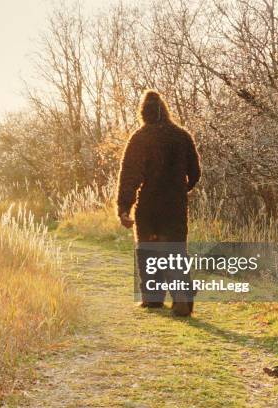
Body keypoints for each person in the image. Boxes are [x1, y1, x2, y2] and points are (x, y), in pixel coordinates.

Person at [116, 90, 201, 317]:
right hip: (174, 205)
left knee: (149, 252)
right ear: (165, 110)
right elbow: (195, 172)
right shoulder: (182, 136)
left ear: (143, 113)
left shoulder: (139, 138)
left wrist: (124, 208)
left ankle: (152, 300)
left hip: (149, 206)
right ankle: (182, 300)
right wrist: (182, 189)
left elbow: (129, 177)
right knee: (175, 252)